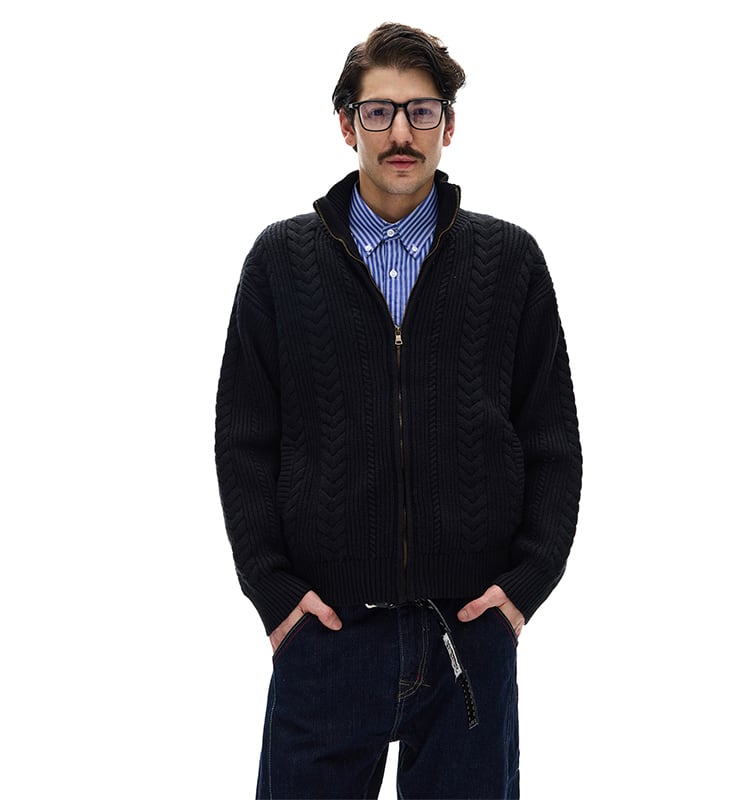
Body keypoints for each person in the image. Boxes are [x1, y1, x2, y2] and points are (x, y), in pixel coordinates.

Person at [215, 21, 582, 800]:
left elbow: (551, 438)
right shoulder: (281, 262)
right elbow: (244, 440)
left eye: (422, 111)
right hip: (326, 636)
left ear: (449, 124)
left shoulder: (510, 261)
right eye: (379, 112)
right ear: (347, 124)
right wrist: (274, 593)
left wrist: (526, 584)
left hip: (469, 635)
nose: (402, 133)